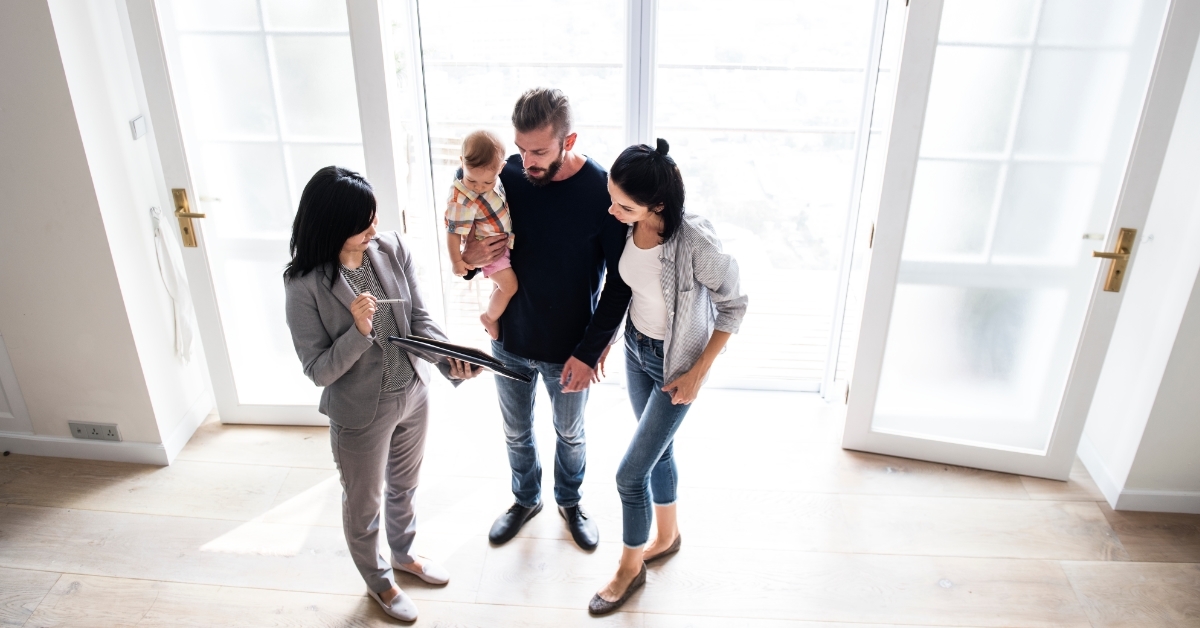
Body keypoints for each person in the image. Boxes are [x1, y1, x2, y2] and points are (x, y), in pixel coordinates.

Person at [283, 166, 482, 622]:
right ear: (333, 225)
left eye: (374, 215)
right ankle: (378, 581)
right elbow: (318, 370)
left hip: (413, 391)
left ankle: (404, 555)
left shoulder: (390, 248)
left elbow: (420, 323)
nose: (375, 227)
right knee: (363, 503)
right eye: (363, 222)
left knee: (405, 486)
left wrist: (451, 359)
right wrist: (359, 330)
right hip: (359, 413)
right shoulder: (304, 286)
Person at [460, 88, 632, 550]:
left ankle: (570, 501)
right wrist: (470, 258)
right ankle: (525, 498)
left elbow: (620, 282)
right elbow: (473, 238)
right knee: (515, 431)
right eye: (520, 148)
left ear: (568, 140)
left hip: (570, 348)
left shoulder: (601, 190)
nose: (525, 161)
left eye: (538, 151)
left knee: (570, 433)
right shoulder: (506, 176)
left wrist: (591, 349)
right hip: (510, 340)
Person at [589, 140, 747, 615]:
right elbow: (627, 289)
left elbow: (734, 305)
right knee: (659, 453)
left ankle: (628, 569)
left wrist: (699, 372)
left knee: (629, 475)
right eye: (611, 197)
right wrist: (606, 340)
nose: (613, 211)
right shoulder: (627, 225)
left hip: (675, 365)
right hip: (637, 350)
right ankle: (668, 535)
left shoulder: (696, 243)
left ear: (657, 204)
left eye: (625, 204)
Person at [444, 130, 517, 340]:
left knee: (499, 286)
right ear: (461, 163)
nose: (478, 188)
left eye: (487, 183)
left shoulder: (496, 175)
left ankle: (493, 312)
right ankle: (489, 318)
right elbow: (453, 233)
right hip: (490, 251)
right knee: (509, 286)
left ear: (500, 168)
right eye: (472, 180)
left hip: (502, 245)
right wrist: (457, 261)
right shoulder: (462, 198)